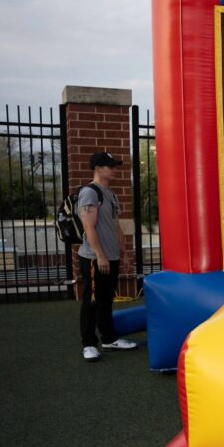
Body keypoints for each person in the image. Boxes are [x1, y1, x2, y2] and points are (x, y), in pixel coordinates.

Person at [78, 151, 137, 361]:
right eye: (110, 166)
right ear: (98, 169)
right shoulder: (90, 193)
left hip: (111, 256)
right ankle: (88, 344)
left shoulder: (110, 194)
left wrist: (124, 253)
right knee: (91, 301)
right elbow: (88, 226)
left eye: (115, 166)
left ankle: (109, 338)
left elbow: (116, 226)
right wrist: (100, 255)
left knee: (106, 301)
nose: (114, 169)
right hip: (94, 258)